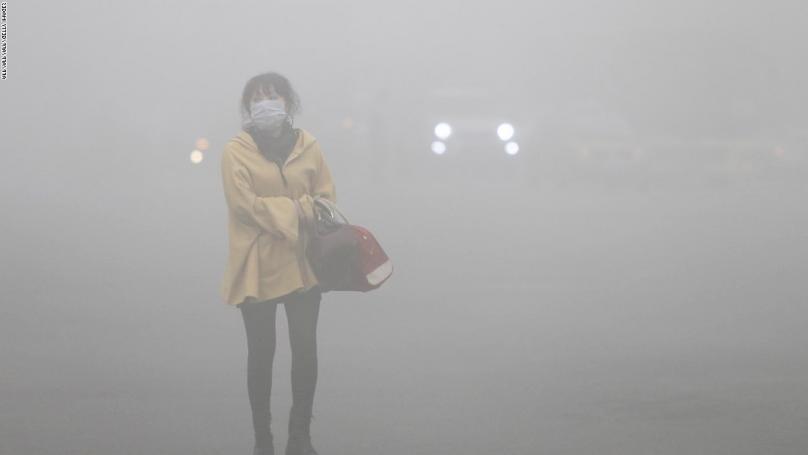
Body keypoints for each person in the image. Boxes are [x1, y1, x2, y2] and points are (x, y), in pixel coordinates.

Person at [220, 72, 337, 455]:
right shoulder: (235, 151)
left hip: (304, 264)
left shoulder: (310, 147)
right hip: (256, 267)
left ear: (288, 103)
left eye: (272, 96)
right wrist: (298, 211)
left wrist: (285, 211)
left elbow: (325, 200)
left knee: (305, 350)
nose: (264, 104)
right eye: (256, 98)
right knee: (261, 354)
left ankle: (300, 436)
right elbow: (243, 206)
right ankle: (262, 439)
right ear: (247, 107)